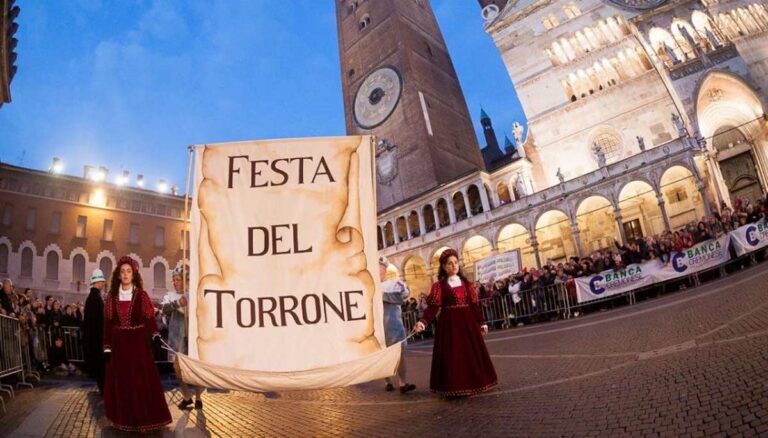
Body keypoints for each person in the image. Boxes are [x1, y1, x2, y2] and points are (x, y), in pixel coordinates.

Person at [414, 248, 497, 397]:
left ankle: (475, 384)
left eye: (456, 262)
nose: (454, 266)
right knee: (454, 355)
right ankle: (455, 387)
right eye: (450, 264)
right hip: (450, 325)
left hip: (468, 324)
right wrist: (423, 322)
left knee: (470, 353)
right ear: (444, 267)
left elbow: (473, 305)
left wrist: (482, 323)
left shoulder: (467, 284)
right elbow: (433, 307)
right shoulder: (439, 286)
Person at [103, 256, 172, 432]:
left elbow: (149, 317)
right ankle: (124, 420)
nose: (125, 274)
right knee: (122, 382)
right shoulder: (112, 296)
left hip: (138, 344)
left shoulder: (141, 295)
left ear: (133, 274)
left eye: (128, 271)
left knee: (140, 382)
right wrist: (107, 346)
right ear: (118, 275)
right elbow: (108, 323)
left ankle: (143, 420)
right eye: (122, 271)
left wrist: (155, 335)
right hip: (119, 345)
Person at [161, 266, 204, 410]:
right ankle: (186, 396)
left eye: (178, 279)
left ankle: (198, 398)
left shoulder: (192, 295)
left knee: (195, 368)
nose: (175, 282)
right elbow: (164, 309)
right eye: (173, 280)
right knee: (177, 368)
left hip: (190, 337)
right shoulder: (170, 296)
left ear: (185, 281)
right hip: (176, 338)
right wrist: (177, 303)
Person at [378, 256, 416, 394]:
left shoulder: (394, 284)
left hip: (394, 326)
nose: (379, 271)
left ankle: (402, 383)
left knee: (400, 355)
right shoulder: (367, 286)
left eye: (381, 268)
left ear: (385, 270)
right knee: (381, 357)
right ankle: (387, 382)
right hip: (378, 329)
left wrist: (380, 296)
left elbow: (403, 297)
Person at [83, 269, 106, 394]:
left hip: (94, 337)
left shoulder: (93, 297)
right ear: (98, 282)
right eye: (102, 281)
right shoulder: (95, 298)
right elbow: (99, 320)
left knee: (99, 364)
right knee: (100, 365)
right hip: (96, 338)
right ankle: (103, 388)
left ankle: (102, 387)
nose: (103, 284)